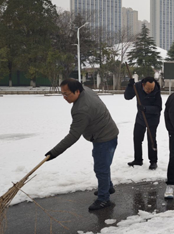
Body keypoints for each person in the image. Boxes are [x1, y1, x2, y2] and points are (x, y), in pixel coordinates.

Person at [45, 78, 119, 212]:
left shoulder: (81, 110)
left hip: (104, 138)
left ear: (77, 91)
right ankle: (107, 187)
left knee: (101, 168)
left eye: (66, 94)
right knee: (102, 165)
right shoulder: (87, 90)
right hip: (107, 132)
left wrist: (54, 152)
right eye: (62, 93)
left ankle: (104, 199)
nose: (64, 97)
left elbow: (73, 135)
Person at [124, 75, 162, 169]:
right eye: (148, 89)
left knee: (151, 140)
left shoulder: (156, 90)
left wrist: (146, 108)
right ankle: (138, 159)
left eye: (151, 89)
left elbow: (158, 108)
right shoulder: (137, 86)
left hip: (153, 118)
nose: (150, 91)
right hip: (141, 118)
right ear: (143, 85)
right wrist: (130, 86)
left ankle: (153, 161)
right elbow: (127, 97)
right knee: (137, 138)